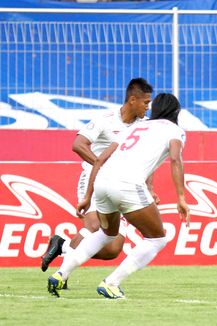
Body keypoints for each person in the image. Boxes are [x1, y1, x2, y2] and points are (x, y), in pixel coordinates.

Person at [47, 93, 190, 299]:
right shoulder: (175, 131)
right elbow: (176, 160)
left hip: (102, 182)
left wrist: (88, 196)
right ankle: (111, 283)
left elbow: (100, 159)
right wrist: (181, 198)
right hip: (128, 184)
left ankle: (61, 274)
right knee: (157, 239)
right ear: (176, 112)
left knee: (107, 233)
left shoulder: (134, 127)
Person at [41, 78, 155, 277]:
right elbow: (78, 144)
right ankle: (61, 276)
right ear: (132, 100)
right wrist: (100, 165)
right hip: (95, 181)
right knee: (95, 227)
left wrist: (150, 188)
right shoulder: (106, 120)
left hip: (122, 186)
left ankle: (63, 245)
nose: (148, 106)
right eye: (145, 102)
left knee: (112, 249)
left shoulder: (144, 126)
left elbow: (147, 159)